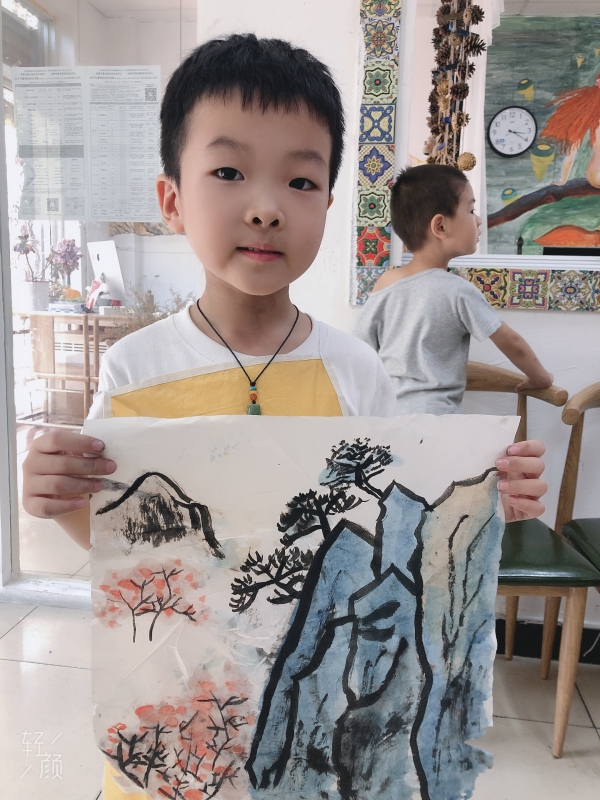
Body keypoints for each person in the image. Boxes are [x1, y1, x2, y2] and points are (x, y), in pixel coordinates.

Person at [21, 36, 547, 799]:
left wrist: (486, 498)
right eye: (228, 172)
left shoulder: (355, 370)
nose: (266, 207)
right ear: (171, 199)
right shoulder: (135, 369)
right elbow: (114, 541)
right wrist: (57, 496)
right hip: (176, 715)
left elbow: (397, 529)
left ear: (328, 206)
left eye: (300, 180)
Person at [353, 164, 553, 416]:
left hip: (387, 415)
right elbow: (512, 343)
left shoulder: (386, 282)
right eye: (471, 210)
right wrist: (540, 378)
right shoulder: (458, 291)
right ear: (440, 227)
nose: (479, 220)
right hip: (437, 418)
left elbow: (360, 348)